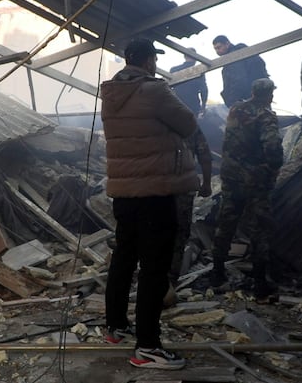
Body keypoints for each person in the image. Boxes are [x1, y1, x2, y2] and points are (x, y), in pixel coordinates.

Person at [100, 38, 200, 370]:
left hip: (124, 194)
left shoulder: (112, 95)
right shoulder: (154, 91)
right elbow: (188, 123)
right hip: (155, 193)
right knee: (154, 270)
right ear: (148, 61)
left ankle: (114, 326)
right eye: (155, 59)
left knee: (124, 259)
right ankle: (148, 347)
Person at [209, 78, 283, 303]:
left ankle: (217, 271)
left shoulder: (236, 109)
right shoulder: (266, 115)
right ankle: (260, 282)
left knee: (226, 222)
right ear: (269, 94)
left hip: (231, 176)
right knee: (259, 228)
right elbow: (272, 147)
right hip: (255, 181)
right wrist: (273, 167)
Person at [166, 124, 212, 306]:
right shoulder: (189, 124)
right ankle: (169, 281)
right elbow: (205, 156)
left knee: (156, 233)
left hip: (156, 188)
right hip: (183, 188)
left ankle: (153, 280)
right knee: (179, 234)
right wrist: (207, 183)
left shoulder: (155, 120)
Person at [212, 35, 269, 107]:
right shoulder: (244, 52)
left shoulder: (234, 57)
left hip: (246, 100)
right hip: (261, 94)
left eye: (219, 47)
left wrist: (233, 103)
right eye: (215, 49)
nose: (217, 51)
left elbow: (239, 80)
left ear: (227, 44)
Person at [170, 51, 208, 116]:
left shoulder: (174, 70)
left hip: (177, 104)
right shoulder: (199, 70)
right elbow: (204, 90)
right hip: (193, 105)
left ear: (184, 56)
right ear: (196, 57)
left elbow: (168, 88)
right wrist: (203, 106)